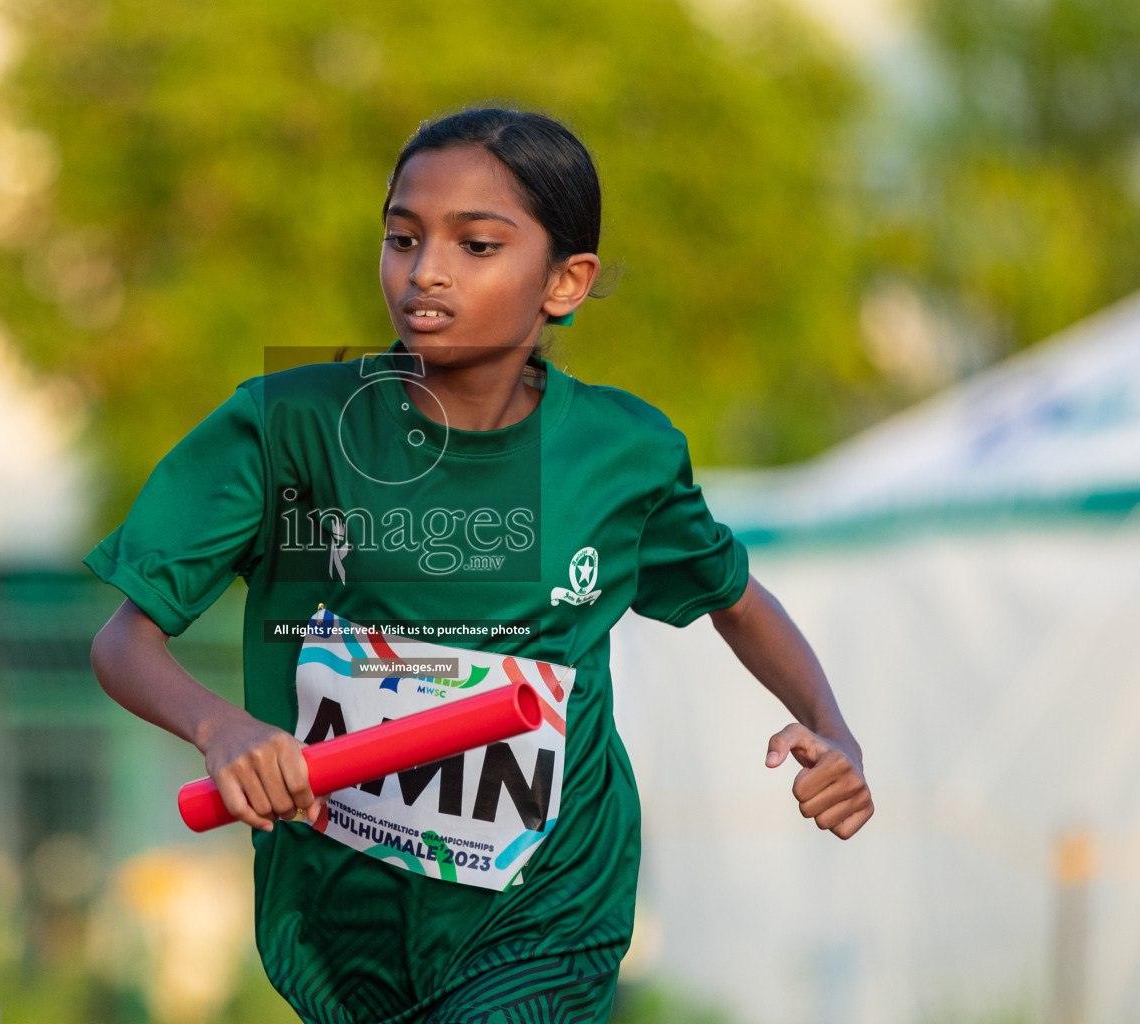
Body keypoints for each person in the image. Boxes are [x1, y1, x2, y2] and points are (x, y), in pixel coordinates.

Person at [88, 107, 873, 1024]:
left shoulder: (621, 449)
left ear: (566, 282)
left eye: (477, 244)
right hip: (343, 913)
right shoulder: (289, 427)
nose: (426, 270)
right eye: (402, 237)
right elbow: (124, 637)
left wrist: (829, 726)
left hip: (550, 908)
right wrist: (218, 725)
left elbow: (732, 595)